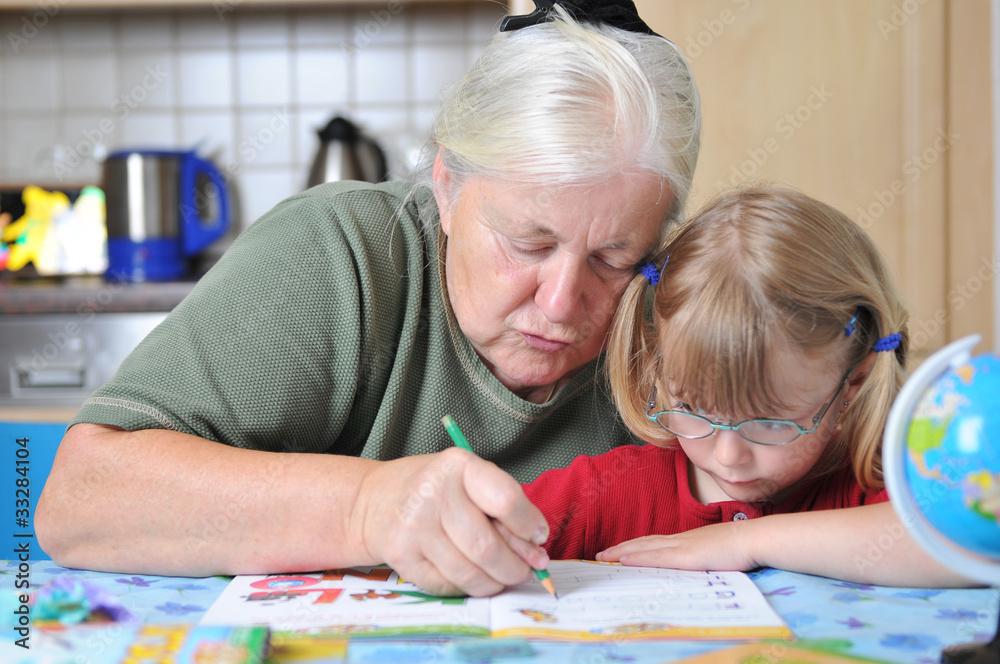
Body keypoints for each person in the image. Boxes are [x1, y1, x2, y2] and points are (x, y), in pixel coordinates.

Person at [35, 1, 701, 597]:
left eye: (614, 259)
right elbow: (80, 502)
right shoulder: (336, 254)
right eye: (528, 243)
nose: (561, 304)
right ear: (446, 185)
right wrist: (368, 507)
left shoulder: (675, 304)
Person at [522, 185, 971, 587]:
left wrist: (746, 541)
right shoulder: (612, 489)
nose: (728, 456)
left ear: (853, 382)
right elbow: (488, 538)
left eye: (771, 423)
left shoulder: (877, 479)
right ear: (658, 367)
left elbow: (962, 546)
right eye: (693, 409)